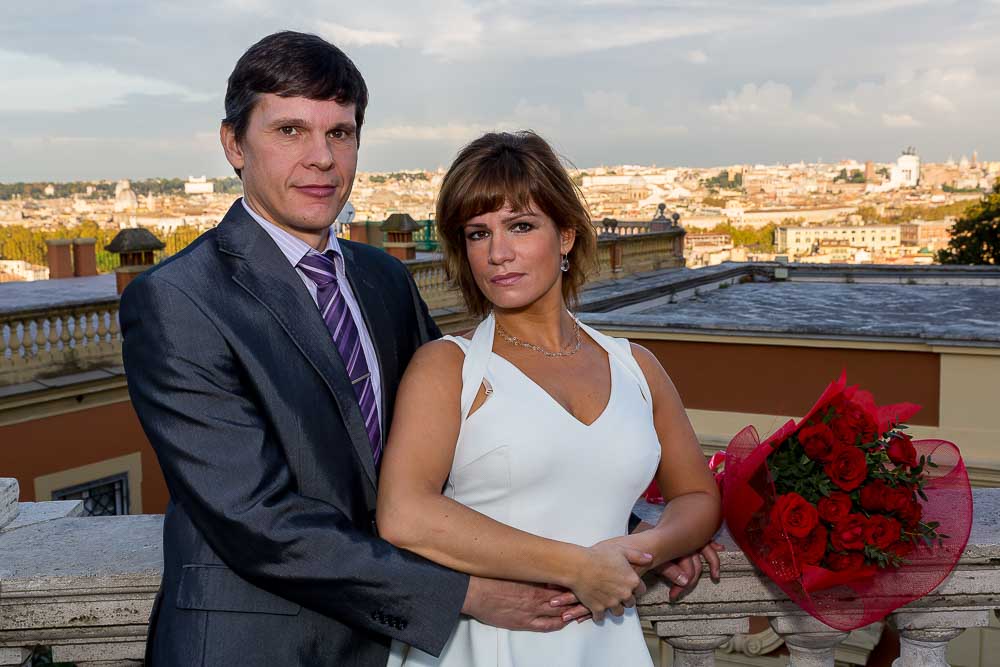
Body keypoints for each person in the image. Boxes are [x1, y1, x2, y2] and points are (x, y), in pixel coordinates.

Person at [120, 32, 599, 667]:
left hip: (394, 648)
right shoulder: (178, 298)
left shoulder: (383, 278)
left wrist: (634, 532)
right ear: (234, 144)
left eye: (339, 133)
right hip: (258, 646)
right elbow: (255, 519)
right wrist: (463, 592)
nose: (321, 158)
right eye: (290, 131)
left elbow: (477, 439)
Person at [377, 131, 723, 666]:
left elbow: (698, 497)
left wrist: (642, 551)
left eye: (520, 226)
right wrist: (577, 567)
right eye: (477, 233)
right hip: (486, 644)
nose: (498, 253)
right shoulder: (449, 367)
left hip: (606, 641)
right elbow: (404, 515)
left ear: (565, 235)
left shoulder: (636, 367)